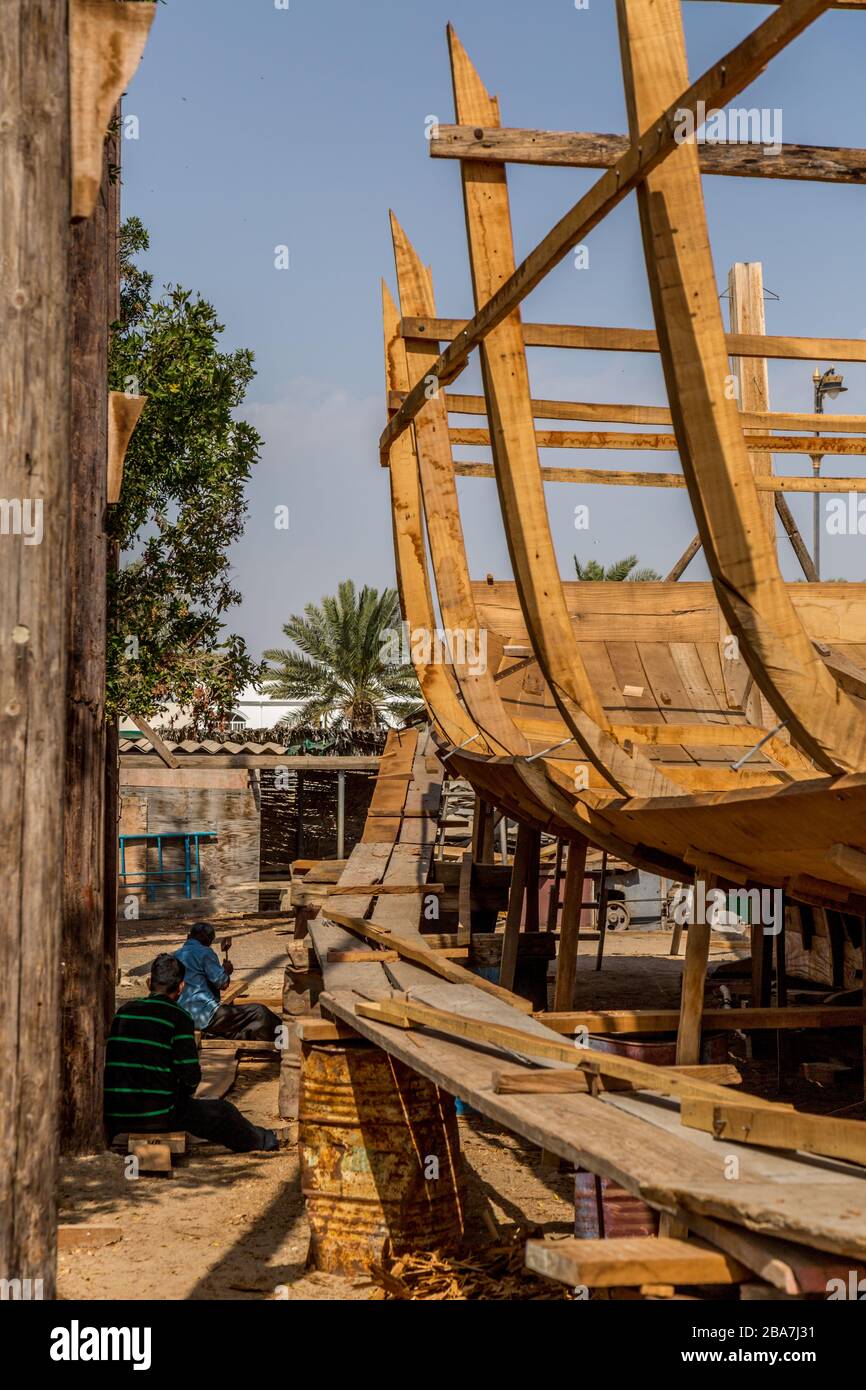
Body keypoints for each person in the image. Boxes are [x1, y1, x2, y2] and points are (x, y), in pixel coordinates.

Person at [104, 953, 279, 1152]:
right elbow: (190, 1078)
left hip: (115, 1112)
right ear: (181, 987)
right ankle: (263, 1141)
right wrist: (181, 1097)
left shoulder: (124, 1012)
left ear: (149, 982)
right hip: (158, 1115)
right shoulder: (178, 1017)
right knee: (223, 1112)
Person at [174, 921, 281, 1041]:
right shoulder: (205, 952)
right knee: (259, 1012)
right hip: (206, 1016)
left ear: (189, 937)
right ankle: (287, 1041)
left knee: (238, 1029)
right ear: (208, 941)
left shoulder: (175, 955)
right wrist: (226, 971)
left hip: (184, 1017)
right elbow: (222, 983)